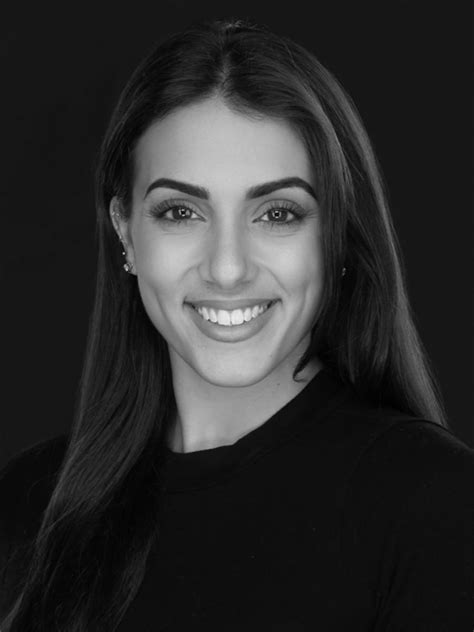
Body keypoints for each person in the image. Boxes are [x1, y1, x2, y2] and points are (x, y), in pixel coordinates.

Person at [0, 17, 472, 632]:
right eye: (180, 212)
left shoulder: (434, 507)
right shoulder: (26, 505)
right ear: (125, 232)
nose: (227, 268)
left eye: (277, 213)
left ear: (337, 237)